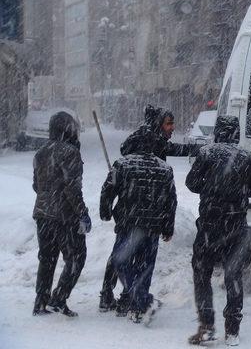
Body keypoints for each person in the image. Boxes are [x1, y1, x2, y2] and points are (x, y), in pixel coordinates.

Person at [99, 104, 202, 311]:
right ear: (158, 124)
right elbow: (174, 153)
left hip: (136, 211)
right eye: (169, 123)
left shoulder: (153, 140)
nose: (172, 127)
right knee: (126, 257)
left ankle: (125, 297)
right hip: (138, 208)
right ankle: (129, 297)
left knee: (125, 255)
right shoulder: (150, 141)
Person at [185, 116, 251, 346]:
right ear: (236, 133)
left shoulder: (207, 154)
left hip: (210, 224)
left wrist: (211, 188)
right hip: (236, 225)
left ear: (218, 132)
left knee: (202, 274)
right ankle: (232, 330)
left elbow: (192, 183)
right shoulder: (248, 157)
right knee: (233, 275)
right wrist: (238, 191)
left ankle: (207, 325)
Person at [100, 128, 176, 323]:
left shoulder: (123, 164)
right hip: (153, 227)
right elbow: (171, 201)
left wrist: (106, 212)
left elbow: (108, 190)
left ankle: (141, 302)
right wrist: (168, 226)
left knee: (120, 262)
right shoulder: (164, 168)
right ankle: (138, 307)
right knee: (145, 267)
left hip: (128, 224)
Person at [32, 111, 90, 317]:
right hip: (65, 216)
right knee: (76, 258)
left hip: (42, 214)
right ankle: (58, 299)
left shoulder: (41, 152)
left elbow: (36, 185)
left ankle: (41, 302)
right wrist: (82, 213)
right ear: (69, 129)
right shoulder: (70, 152)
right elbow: (72, 189)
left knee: (47, 259)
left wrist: (48, 196)